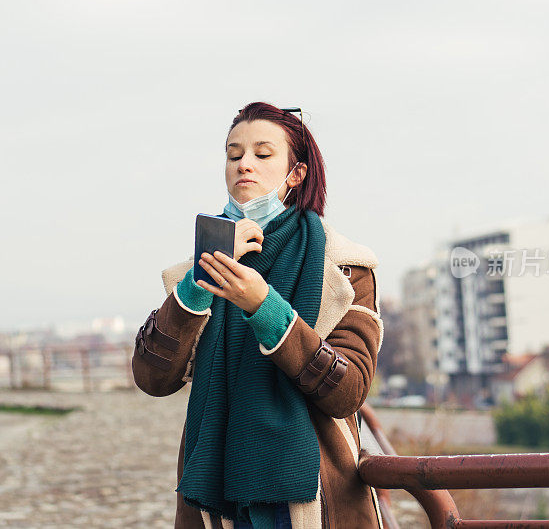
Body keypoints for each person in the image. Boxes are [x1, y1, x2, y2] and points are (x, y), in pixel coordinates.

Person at [133, 102, 384, 529]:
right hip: (215, 504)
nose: (244, 164)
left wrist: (263, 306)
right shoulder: (199, 268)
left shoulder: (343, 268)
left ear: (296, 174)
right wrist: (198, 283)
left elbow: (349, 390)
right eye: (234, 155)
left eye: (262, 154)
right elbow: (152, 377)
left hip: (313, 500)